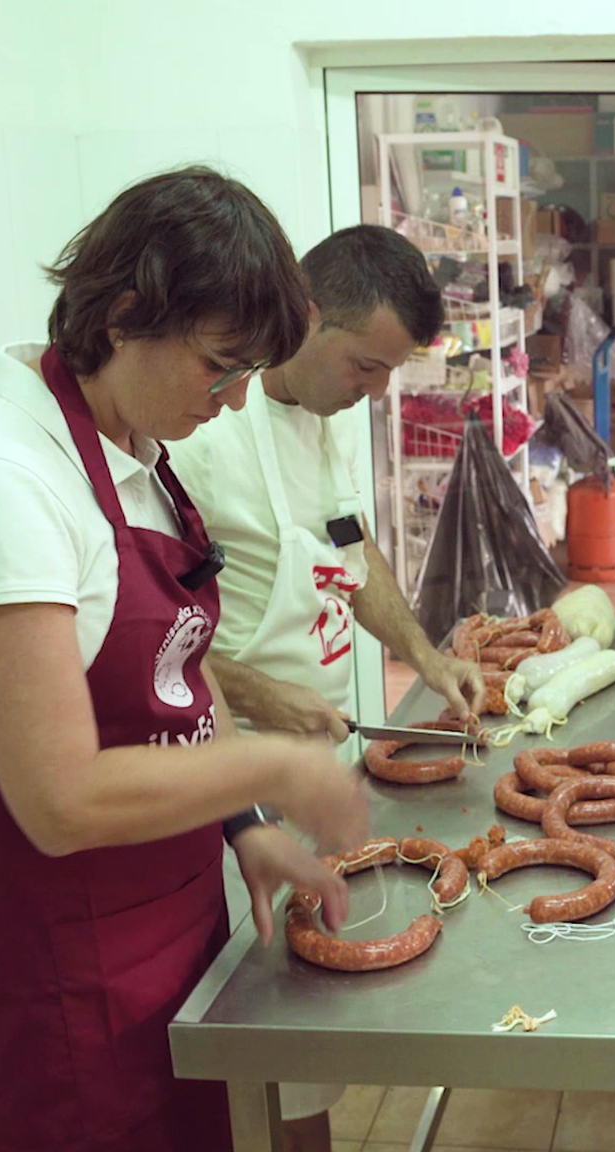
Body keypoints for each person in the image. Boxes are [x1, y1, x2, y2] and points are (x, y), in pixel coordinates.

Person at [0, 167, 370, 1152]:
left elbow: (178, 682)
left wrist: (243, 825)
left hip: (168, 908)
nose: (233, 404)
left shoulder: (137, 460)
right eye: (219, 367)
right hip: (46, 948)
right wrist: (274, 766)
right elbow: (57, 803)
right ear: (120, 314)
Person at [172, 223, 480, 1149]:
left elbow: (354, 551)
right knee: (258, 1028)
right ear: (306, 320)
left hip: (320, 753)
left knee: (308, 1033)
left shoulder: (321, 420)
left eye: (390, 373)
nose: (376, 393)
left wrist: (428, 657)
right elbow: (145, 633)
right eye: (366, 366)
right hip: (226, 774)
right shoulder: (198, 434)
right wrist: (260, 700)